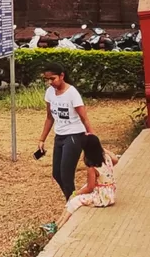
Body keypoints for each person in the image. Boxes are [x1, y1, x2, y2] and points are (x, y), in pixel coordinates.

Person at [37, 64, 94, 202]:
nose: (50, 82)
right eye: (47, 79)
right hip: (60, 136)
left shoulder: (72, 93)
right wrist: (42, 139)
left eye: (53, 78)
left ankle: (72, 203)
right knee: (57, 174)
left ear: (62, 76)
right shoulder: (50, 92)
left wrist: (92, 138)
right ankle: (74, 199)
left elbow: (84, 118)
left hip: (74, 136)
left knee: (66, 174)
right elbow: (50, 117)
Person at [54, 134, 119, 228]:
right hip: (109, 192)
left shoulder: (92, 167)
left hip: (102, 197)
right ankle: (58, 222)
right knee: (75, 196)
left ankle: (61, 224)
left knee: (74, 200)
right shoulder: (107, 158)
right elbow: (116, 159)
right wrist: (101, 149)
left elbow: (90, 187)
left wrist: (77, 192)